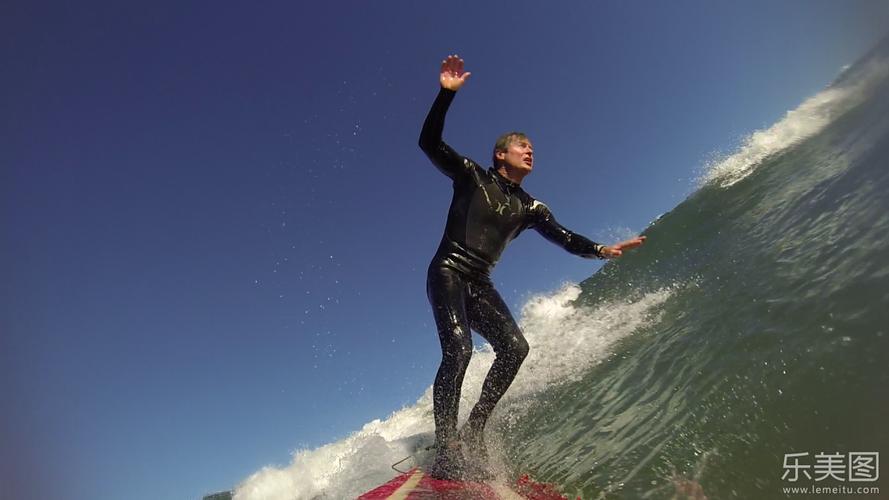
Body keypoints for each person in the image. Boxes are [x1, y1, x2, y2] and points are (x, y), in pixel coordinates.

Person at [418, 54, 646, 480]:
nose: (531, 152)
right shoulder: (472, 176)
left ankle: (474, 429)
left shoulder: (530, 207)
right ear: (500, 154)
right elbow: (429, 143)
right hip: (448, 271)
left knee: (515, 348)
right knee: (460, 349)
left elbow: (564, 237)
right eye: (524, 147)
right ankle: (446, 445)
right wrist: (445, 96)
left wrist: (601, 249)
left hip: (480, 282)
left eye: (533, 149)